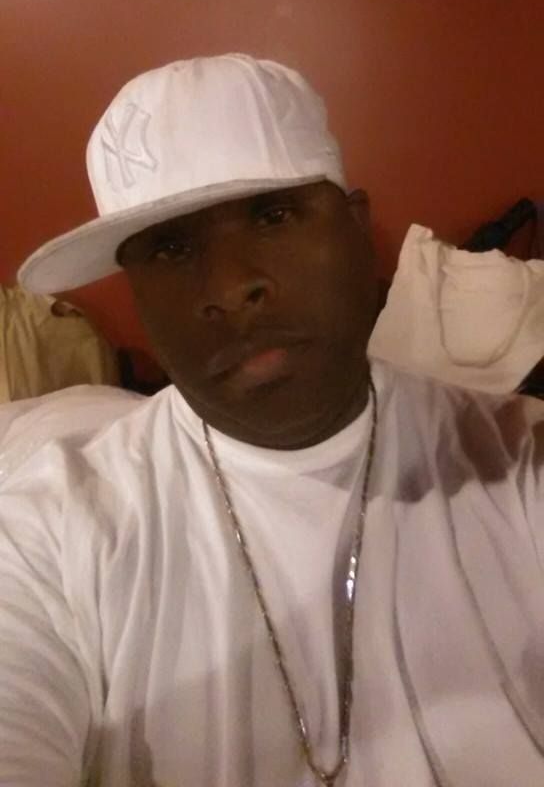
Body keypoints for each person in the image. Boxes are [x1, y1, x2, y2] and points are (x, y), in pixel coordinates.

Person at [2, 54, 543, 787]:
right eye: (170, 247)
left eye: (273, 214)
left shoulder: (518, 460)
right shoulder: (48, 531)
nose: (231, 288)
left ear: (357, 229)